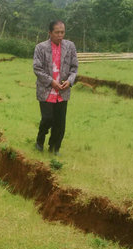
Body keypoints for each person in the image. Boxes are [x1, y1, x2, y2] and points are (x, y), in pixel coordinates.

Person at [33, 20, 78, 156]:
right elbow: (37, 68)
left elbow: (74, 68)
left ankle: (54, 148)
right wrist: (51, 82)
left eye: (62, 32)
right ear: (50, 33)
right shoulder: (40, 48)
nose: (60, 35)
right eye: (57, 32)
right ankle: (40, 141)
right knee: (47, 118)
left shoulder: (70, 46)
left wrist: (69, 82)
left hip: (62, 91)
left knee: (60, 123)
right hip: (46, 90)